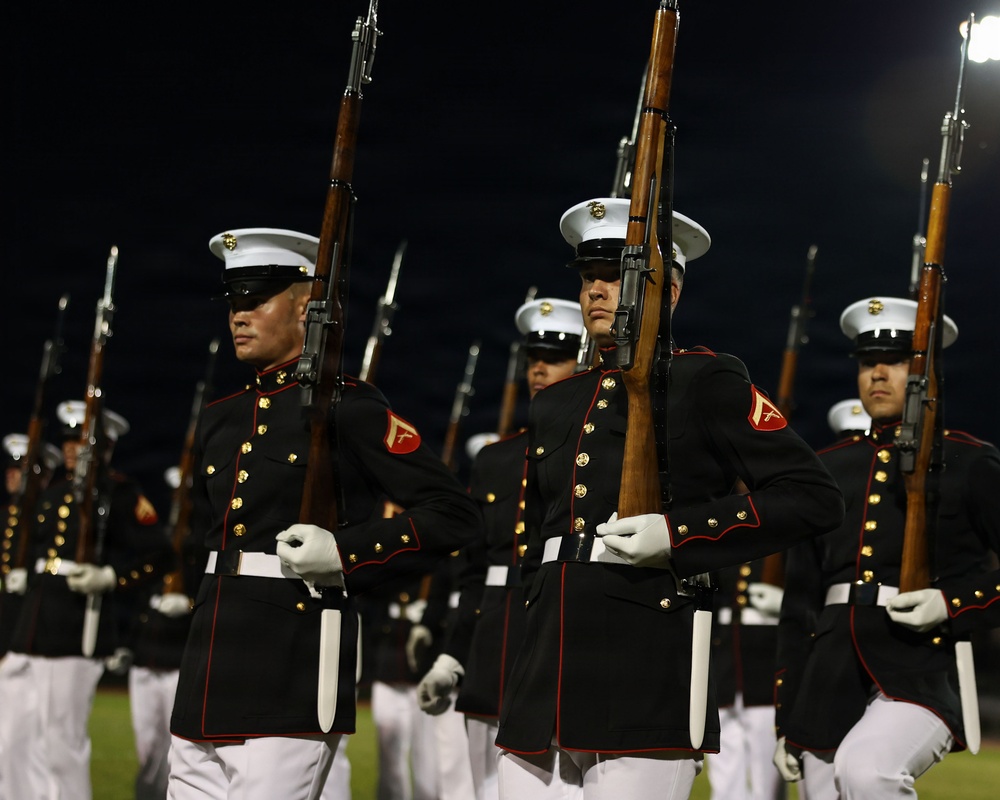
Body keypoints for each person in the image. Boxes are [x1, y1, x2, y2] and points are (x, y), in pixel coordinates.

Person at [492, 196, 845, 799]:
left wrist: (679, 535)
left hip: (647, 664)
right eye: (588, 279)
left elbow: (812, 497)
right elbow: (535, 548)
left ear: (670, 293)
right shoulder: (556, 402)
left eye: (615, 277)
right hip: (543, 674)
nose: (596, 292)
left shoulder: (705, 381)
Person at [166, 227, 481, 800]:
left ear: (307, 307)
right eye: (234, 303)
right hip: (206, 668)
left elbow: (452, 513)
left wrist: (345, 554)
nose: (238, 315)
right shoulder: (221, 418)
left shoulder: (348, 406)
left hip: (293, 663)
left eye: (256, 300)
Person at [773, 296, 1000, 799]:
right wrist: (787, 713)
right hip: (826, 676)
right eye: (866, 362)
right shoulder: (826, 469)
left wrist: (952, 603)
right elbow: (800, 603)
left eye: (896, 361)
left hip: (922, 666)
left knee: (868, 771)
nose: (877, 373)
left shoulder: (968, 461)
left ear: (928, 372)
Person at [415, 297, 586, 800]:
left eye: (554, 357)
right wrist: (452, 653)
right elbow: (475, 572)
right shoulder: (496, 459)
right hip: (490, 649)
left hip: (559, 646)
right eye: (533, 357)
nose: (539, 368)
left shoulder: (595, 455)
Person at [0, 401, 173, 800]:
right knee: (19, 737)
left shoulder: (119, 492)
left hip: (76, 627)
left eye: (84, 440)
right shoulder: (54, 493)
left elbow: (160, 556)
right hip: (32, 627)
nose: (74, 449)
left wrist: (111, 577)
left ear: (105, 447)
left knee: (63, 744)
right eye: (69, 441)